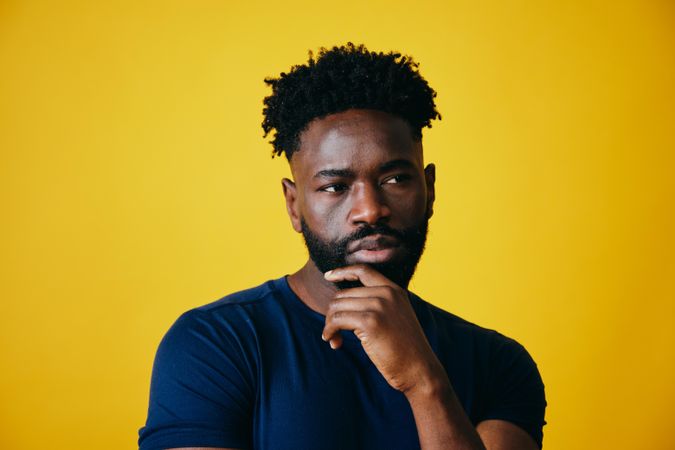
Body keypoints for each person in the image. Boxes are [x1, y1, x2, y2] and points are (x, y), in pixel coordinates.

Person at [138, 43, 547, 450]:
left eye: (395, 180)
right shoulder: (215, 345)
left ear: (430, 190)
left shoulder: (498, 364)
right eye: (335, 187)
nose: (370, 210)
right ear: (294, 205)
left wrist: (424, 382)